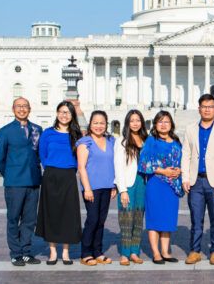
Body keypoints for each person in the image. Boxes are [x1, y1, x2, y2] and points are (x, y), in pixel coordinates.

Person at [181, 93, 214, 265]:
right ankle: (195, 250)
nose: (207, 110)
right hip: (196, 180)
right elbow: (186, 154)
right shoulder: (190, 129)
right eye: (204, 107)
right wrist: (185, 177)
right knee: (196, 219)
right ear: (199, 109)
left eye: (210, 107)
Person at [0, 97, 43, 267]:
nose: (22, 109)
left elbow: (39, 155)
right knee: (14, 218)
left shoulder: (37, 129)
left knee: (30, 219)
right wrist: (9, 174)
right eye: (18, 106)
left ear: (29, 109)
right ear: (13, 109)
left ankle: (27, 251)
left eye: (25, 106)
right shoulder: (5, 131)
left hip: (34, 181)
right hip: (14, 182)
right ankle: (16, 253)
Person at [36, 101, 82, 265]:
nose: (64, 115)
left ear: (72, 115)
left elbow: (80, 158)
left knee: (68, 213)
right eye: (62, 112)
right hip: (51, 175)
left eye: (68, 112)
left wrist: (71, 170)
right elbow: (42, 155)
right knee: (52, 212)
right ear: (57, 113)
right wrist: (51, 168)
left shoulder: (76, 135)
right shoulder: (48, 133)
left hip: (69, 176)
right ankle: (53, 251)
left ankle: (66, 252)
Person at [139, 110, 184, 264]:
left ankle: (165, 251)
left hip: (172, 187)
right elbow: (144, 162)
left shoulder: (176, 141)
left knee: (167, 220)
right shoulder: (151, 141)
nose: (163, 125)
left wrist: (180, 170)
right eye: (160, 122)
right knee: (154, 219)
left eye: (166, 121)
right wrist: (164, 171)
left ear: (171, 124)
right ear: (155, 125)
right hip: (156, 184)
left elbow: (182, 160)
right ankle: (156, 253)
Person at [76, 110, 116, 266]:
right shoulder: (85, 142)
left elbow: (113, 164)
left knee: (101, 221)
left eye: (102, 123)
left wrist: (114, 186)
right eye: (95, 123)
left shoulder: (111, 141)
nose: (99, 126)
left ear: (106, 124)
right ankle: (86, 253)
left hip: (107, 186)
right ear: (90, 124)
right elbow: (81, 167)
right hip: (92, 188)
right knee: (92, 220)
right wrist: (87, 188)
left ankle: (97, 252)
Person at [114, 109, 148, 266]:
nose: (135, 123)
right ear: (127, 123)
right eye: (132, 120)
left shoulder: (146, 140)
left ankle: (135, 251)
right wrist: (122, 190)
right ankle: (125, 254)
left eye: (138, 120)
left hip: (143, 183)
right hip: (128, 183)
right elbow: (118, 167)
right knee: (126, 218)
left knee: (138, 219)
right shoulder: (122, 141)